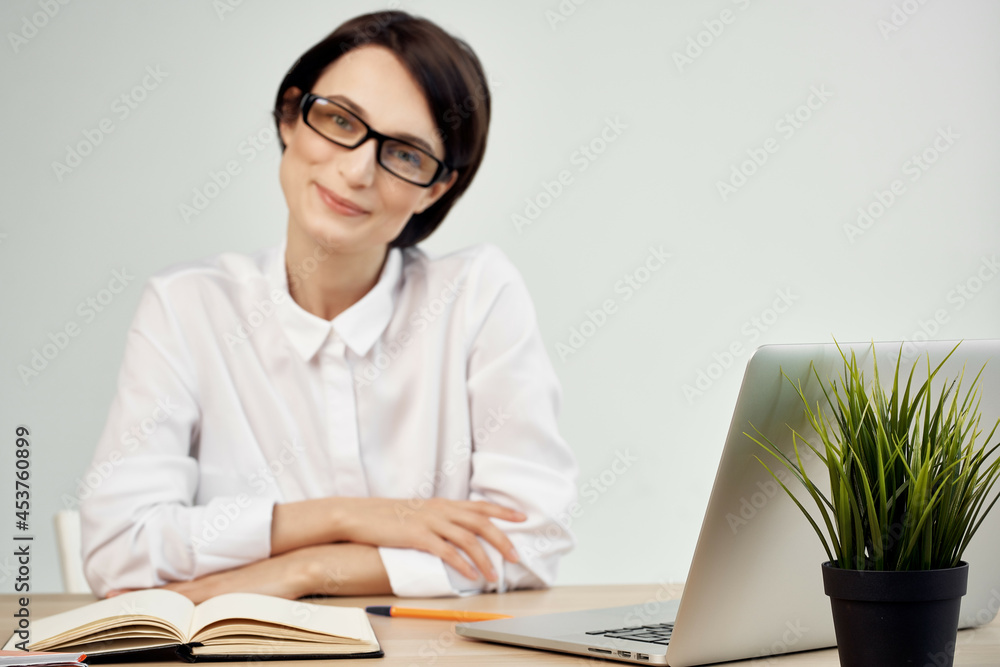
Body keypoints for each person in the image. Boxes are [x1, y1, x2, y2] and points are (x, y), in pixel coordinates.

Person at [79, 10, 578, 603]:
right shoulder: (187, 307)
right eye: (341, 121)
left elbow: (530, 539)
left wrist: (306, 570)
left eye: (407, 154)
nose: (357, 169)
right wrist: (346, 517)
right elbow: (118, 551)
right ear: (291, 115)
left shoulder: (476, 297)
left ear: (436, 188)